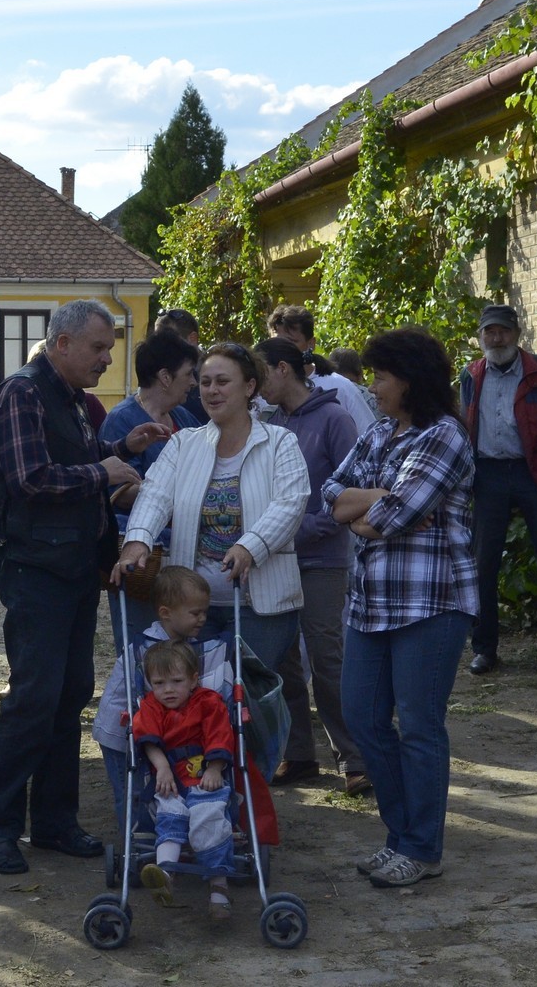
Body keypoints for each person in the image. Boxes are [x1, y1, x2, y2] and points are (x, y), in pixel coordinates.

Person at [0, 299, 167, 874]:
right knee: (33, 699)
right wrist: (101, 471)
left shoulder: (70, 397)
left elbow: (69, 460)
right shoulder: (21, 392)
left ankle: (54, 822)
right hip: (36, 570)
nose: (107, 359)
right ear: (61, 343)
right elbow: (29, 478)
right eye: (98, 347)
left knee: (69, 694)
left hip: (76, 567)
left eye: (110, 348)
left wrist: (121, 450)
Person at [321, 326, 476, 889]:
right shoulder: (380, 431)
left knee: (418, 726)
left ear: (410, 380)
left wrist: (371, 509)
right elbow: (331, 494)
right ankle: (401, 836)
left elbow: (391, 518)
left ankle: (420, 847)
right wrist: (378, 501)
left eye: (381, 377)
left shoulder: (445, 436)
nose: (372, 387)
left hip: (431, 603)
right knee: (362, 717)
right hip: (370, 603)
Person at [115, 343, 309, 674]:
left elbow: (290, 504)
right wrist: (138, 540)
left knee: (249, 696)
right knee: (196, 696)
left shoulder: (280, 442)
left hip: (260, 607)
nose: (211, 390)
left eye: (222, 381)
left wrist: (250, 547)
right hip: (191, 606)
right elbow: (155, 494)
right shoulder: (183, 443)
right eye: (205, 382)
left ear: (249, 387)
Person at [254, 337, 367, 794]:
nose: (256, 385)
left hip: (322, 559)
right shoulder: (272, 422)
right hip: (277, 559)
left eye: (261, 374)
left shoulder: (334, 418)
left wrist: (305, 528)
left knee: (327, 658)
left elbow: (356, 488)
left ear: (283, 369)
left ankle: (356, 758)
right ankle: (298, 754)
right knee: (282, 660)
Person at [458, 304, 537, 678]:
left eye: (503, 331)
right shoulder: (470, 375)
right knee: (482, 565)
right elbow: (463, 426)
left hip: (534, 472)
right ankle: (484, 649)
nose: (497, 339)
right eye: (490, 332)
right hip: (488, 475)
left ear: (517, 333)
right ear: (481, 336)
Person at [92, 566, 230, 828]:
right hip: (119, 731)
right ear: (166, 613)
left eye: (204, 612)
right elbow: (154, 696)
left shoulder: (184, 643)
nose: (203, 619)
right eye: (195, 613)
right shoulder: (146, 650)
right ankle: (133, 839)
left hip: (149, 729)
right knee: (131, 791)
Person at [100, 330, 202, 639]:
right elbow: (119, 493)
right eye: (189, 374)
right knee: (142, 644)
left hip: (181, 555)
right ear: (165, 377)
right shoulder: (122, 420)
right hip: (143, 563)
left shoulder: (185, 419)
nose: (194, 382)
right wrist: (177, 497)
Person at [132, 641, 236, 921]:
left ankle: (219, 890)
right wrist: (162, 767)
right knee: (169, 815)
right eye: (159, 683)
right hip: (170, 779)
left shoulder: (208, 702)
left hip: (205, 777)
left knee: (208, 818)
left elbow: (220, 734)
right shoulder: (151, 706)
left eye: (177, 681)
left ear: (193, 680)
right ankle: (165, 875)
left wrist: (215, 768)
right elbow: (147, 740)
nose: (168, 690)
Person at [265, 304, 376, 436]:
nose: (280, 351)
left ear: (311, 344)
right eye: (275, 344)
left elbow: (371, 437)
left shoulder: (341, 388)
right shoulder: (263, 393)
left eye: (290, 343)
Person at [152, 307, 208, 423]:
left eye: (170, 342)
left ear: (192, 339)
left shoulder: (214, 372)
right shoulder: (156, 374)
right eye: (157, 340)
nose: (160, 347)